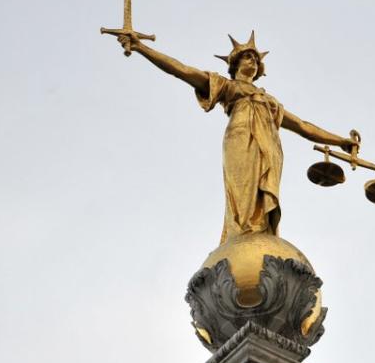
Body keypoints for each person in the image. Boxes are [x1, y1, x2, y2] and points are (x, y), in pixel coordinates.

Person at [117, 31, 359, 244]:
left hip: (271, 148)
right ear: (234, 64)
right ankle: (242, 234)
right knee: (242, 191)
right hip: (241, 138)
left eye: (255, 58)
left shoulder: (270, 101)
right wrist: (141, 47)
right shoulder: (227, 87)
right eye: (247, 56)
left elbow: (304, 127)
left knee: (262, 197)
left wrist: (341, 142)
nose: (252, 61)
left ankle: (261, 234)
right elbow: (182, 70)